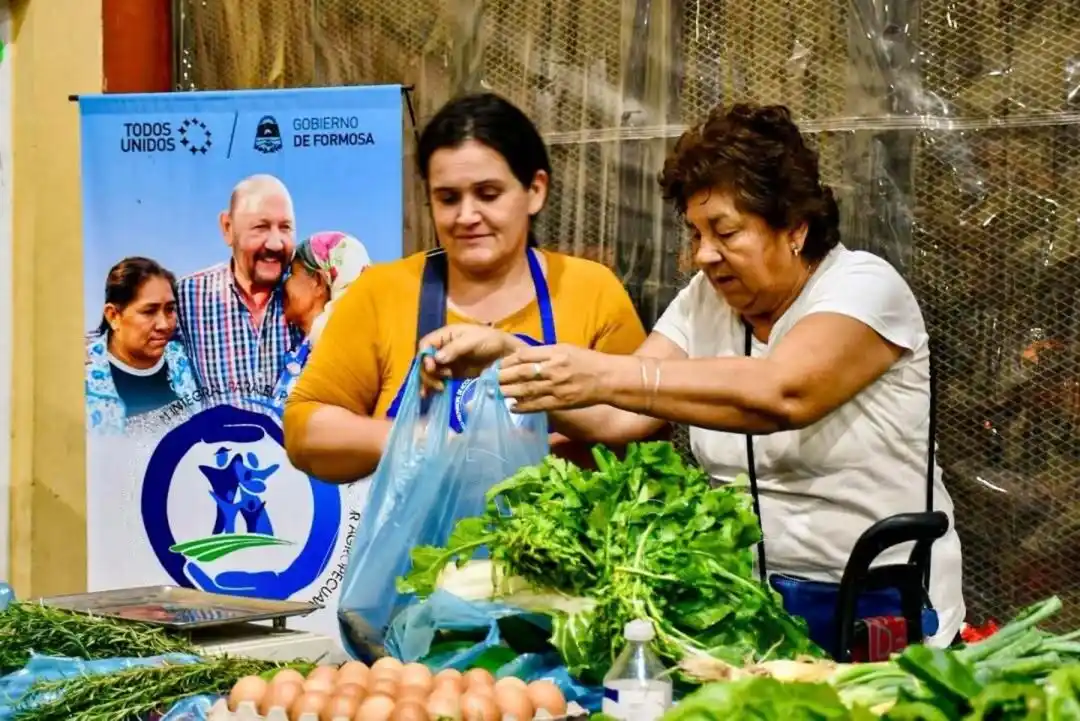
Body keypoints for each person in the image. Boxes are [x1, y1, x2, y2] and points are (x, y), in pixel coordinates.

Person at [418, 103, 965, 649]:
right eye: (696, 232)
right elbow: (614, 412)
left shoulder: (864, 288)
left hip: (881, 608)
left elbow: (784, 393)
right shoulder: (705, 302)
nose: (703, 255)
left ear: (794, 227)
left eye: (725, 231)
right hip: (747, 610)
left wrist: (601, 371)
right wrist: (511, 356)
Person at [283, 92, 647, 482]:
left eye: (488, 194)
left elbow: (645, 432)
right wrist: (418, 440)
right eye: (448, 198)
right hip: (420, 542)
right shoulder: (381, 292)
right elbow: (305, 429)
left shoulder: (591, 291)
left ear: (535, 190)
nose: (467, 216)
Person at [176, 173, 302, 402]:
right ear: (227, 228)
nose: (275, 243)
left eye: (285, 228)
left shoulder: (315, 298)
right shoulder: (186, 298)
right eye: (260, 227)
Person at [85, 257, 199, 434]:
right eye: (149, 311)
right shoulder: (86, 380)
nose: (164, 324)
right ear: (113, 315)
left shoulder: (182, 361)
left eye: (169, 309)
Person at [269, 231, 373, 410]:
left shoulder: (344, 360)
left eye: (290, 274)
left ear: (317, 281)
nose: (280, 285)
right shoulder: (306, 352)